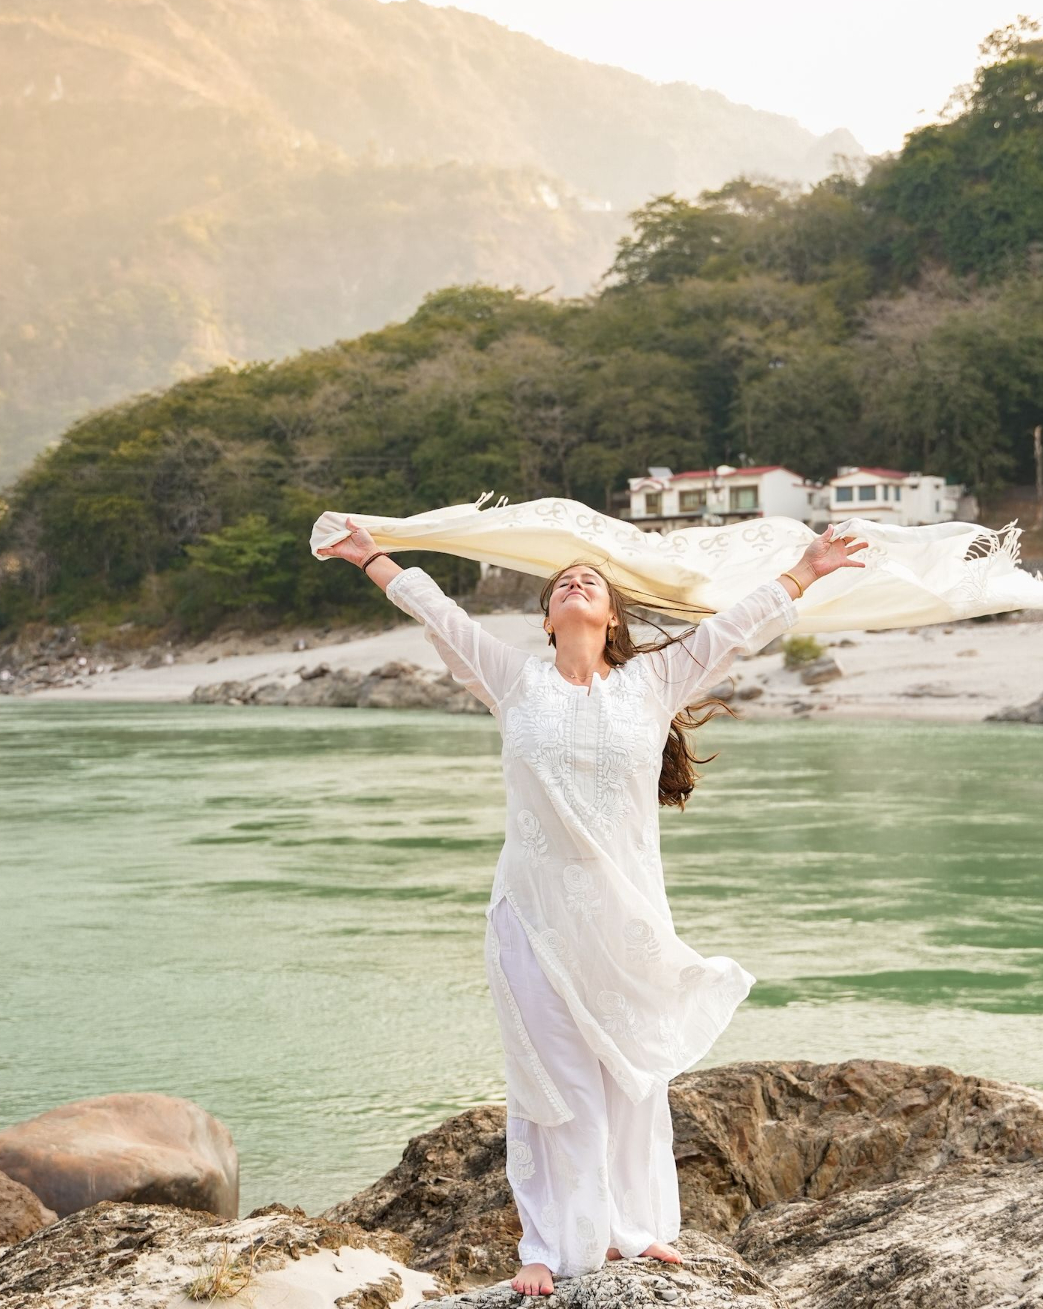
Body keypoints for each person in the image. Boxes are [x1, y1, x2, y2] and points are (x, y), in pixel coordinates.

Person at [317, 520, 868, 1295]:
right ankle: (547, 1244)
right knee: (552, 1081)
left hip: (626, 922)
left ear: (611, 618)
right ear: (547, 619)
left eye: (593, 582)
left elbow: (736, 628)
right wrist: (371, 557)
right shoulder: (513, 679)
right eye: (563, 585)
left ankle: (630, 1232)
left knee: (629, 1077)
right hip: (532, 918)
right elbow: (439, 613)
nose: (577, 584)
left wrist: (807, 569)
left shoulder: (653, 682)